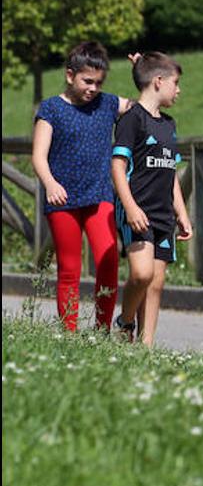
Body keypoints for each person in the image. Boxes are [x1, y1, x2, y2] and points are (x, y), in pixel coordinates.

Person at [31, 42, 133, 332]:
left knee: (108, 260)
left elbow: (140, 106)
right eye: (87, 81)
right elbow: (38, 155)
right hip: (62, 198)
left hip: (99, 194)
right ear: (69, 75)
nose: (93, 88)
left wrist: (141, 70)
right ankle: (70, 332)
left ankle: (102, 330)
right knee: (70, 268)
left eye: (98, 83)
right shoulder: (51, 109)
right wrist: (50, 184)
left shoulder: (108, 103)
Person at [112, 52, 192, 346]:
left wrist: (181, 213)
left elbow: (171, 174)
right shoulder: (131, 120)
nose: (179, 90)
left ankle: (146, 347)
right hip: (138, 211)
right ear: (159, 82)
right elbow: (118, 167)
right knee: (142, 274)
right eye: (176, 83)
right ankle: (125, 321)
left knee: (156, 283)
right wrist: (130, 207)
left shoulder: (169, 125)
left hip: (163, 215)